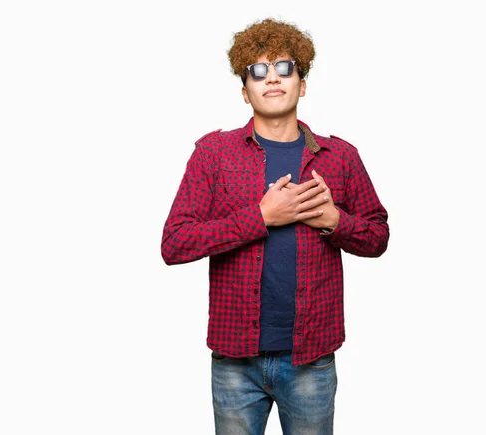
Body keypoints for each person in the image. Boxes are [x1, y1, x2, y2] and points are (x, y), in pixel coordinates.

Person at [161, 17, 389, 435]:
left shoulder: (340, 157)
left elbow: (378, 235)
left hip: (311, 359)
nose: (272, 79)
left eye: (284, 68)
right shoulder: (213, 154)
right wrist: (261, 218)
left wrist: (335, 222)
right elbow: (175, 243)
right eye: (258, 71)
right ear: (245, 91)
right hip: (235, 360)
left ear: (302, 84)